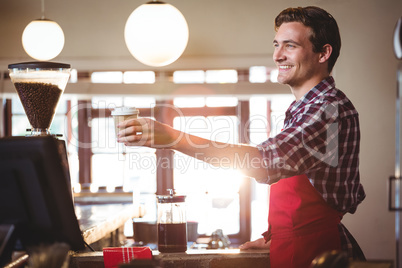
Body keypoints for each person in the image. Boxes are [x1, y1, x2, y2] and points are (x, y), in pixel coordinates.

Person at [117, 6, 366, 268]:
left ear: (323, 53)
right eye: (276, 45)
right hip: (295, 247)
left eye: (290, 46)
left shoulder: (328, 110)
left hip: (317, 255)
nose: (277, 55)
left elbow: (264, 162)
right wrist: (277, 234)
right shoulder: (305, 109)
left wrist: (172, 138)